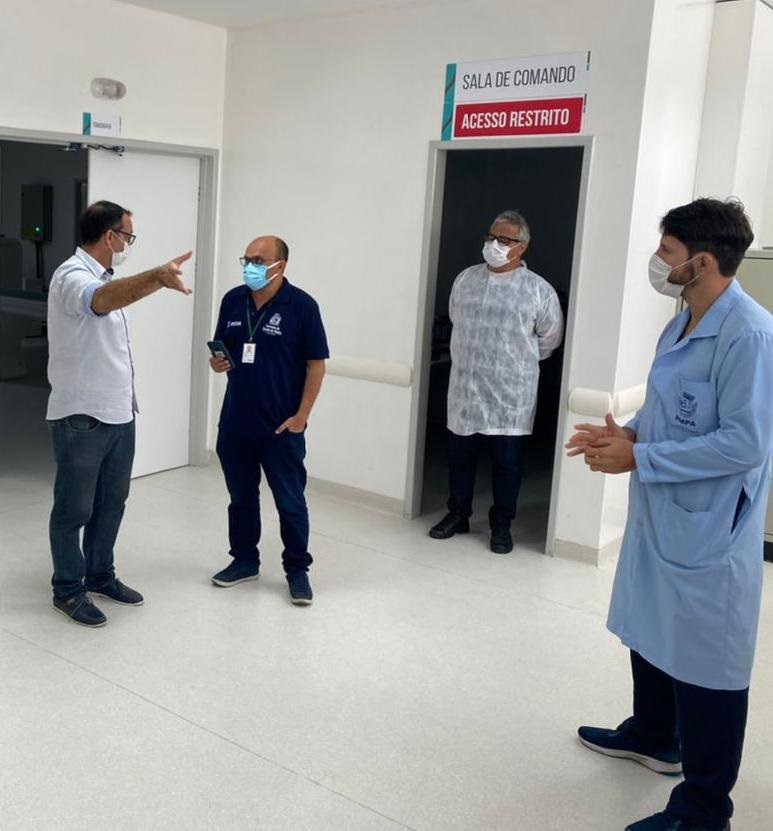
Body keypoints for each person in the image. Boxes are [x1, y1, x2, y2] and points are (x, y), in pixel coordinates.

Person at [566, 198, 773, 831]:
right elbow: (669, 410)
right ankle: (655, 735)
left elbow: (745, 443)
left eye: (667, 251)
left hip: (710, 528)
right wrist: (627, 434)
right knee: (652, 624)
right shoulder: (683, 322)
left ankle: (705, 809)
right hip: (665, 513)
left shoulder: (749, 336)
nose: (657, 261)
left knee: (708, 661)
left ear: (702, 262)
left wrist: (642, 456)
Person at [47, 200, 192, 627]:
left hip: (118, 413)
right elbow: (100, 301)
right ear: (110, 236)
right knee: (74, 509)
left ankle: (99, 575)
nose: (129, 243)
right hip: (82, 416)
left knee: (111, 503)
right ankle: (68, 589)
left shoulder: (105, 277)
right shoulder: (72, 276)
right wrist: (156, 278)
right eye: (128, 236)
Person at [429, 209, 564, 553]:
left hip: (510, 395)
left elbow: (549, 339)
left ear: (522, 246)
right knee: (460, 458)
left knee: (507, 464)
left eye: (504, 240)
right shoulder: (466, 280)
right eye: (491, 237)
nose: (494, 245)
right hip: (465, 389)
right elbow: (457, 319)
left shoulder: (538, 290)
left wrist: (511, 364)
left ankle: (501, 525)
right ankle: (458, 514)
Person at [209, 235, 328, 605]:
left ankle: (297, 571)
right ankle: (244, 560)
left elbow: (316, 365)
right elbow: (222, 351)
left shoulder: (302, 306)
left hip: (280, 428)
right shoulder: (232, 300)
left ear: (281, 265)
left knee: (290, 503)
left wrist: (301, 417)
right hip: (236, 424)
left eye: (259, 261)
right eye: (246, 259)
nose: (250, 266)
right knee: (241, 498)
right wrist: (217, 362)